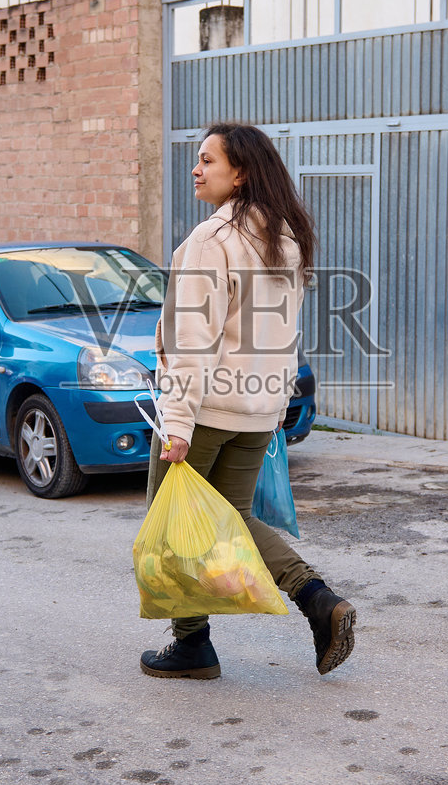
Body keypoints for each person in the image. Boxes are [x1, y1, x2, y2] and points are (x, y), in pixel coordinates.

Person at [140, 121, 356, 680]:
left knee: (172, 526)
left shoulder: (212, 242)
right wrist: (278, 404)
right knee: (230, 518)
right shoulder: (284, 238)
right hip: (257, 411)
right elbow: (283, 333)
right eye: (198, 159)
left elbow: (194, 339)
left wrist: (178, 422)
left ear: (240, 173)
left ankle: (192, 646)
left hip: (206, 410)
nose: (196, 168)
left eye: (208, 161)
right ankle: (318, 600)